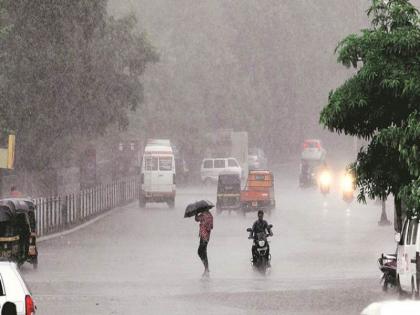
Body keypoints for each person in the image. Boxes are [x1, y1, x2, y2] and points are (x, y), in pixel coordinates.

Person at [195, 209, 213, 277]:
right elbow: (211, 226)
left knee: (200, 251)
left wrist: (196, 213)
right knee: (204, 251)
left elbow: (197, 219)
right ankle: (206, 268)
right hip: (207, 236)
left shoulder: (203, 215)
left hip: (203, 236)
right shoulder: (210, 215)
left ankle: (206, 268)